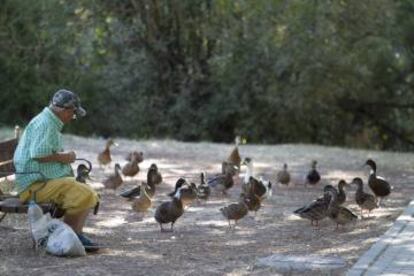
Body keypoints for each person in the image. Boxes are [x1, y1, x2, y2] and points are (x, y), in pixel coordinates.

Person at [13, 89, 100, 252]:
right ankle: (65, 237)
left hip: (40, 181)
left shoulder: (49, 121)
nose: (72, 118)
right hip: (34, 186)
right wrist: (65, 157)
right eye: (73, 113)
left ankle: (72, 234)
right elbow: (38, 153)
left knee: (86, 191)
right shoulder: (46, 123)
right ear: (64, 110)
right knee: (84, 193)